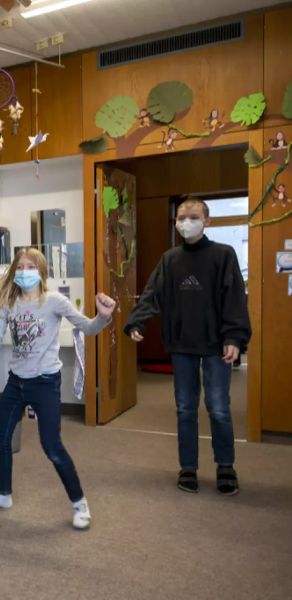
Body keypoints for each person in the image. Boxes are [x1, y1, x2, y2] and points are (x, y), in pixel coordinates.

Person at [0, 248, 116, 530]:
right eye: (20, 266)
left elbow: (87, 328)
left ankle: (79, 503)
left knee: (52, 446)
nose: (24, 271)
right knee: (0, 439)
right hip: (16, 382)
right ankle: (2, 495)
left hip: (45, 383)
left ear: (41, 272)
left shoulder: (54, 302)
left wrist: (104, 317)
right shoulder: (9, 304)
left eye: (30, 266)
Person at [124, 197, 250, 495]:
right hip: (181, 344)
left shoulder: (223, 255)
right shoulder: (171, 259)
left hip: (217, 344)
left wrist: (234, 337)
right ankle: (188, 467)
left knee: (218, 407)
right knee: (184, 408)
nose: (185, 222)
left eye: (193, 217)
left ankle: (225, 466)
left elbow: (234, 299)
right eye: (181, 217)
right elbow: (152, 292)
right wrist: (136, 322)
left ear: (208, 221)